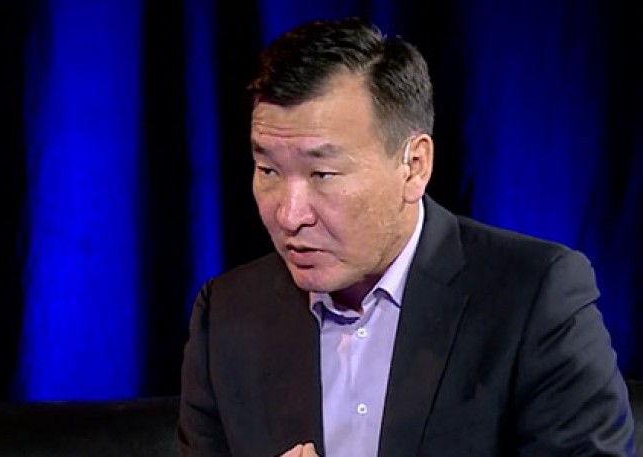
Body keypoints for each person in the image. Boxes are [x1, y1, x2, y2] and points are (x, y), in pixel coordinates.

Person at [178, 17, 635, 457]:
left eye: (323, 174)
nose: (289, 215)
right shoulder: (227, 316)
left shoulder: (532, 298)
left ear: (414, 166)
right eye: (268, 170)